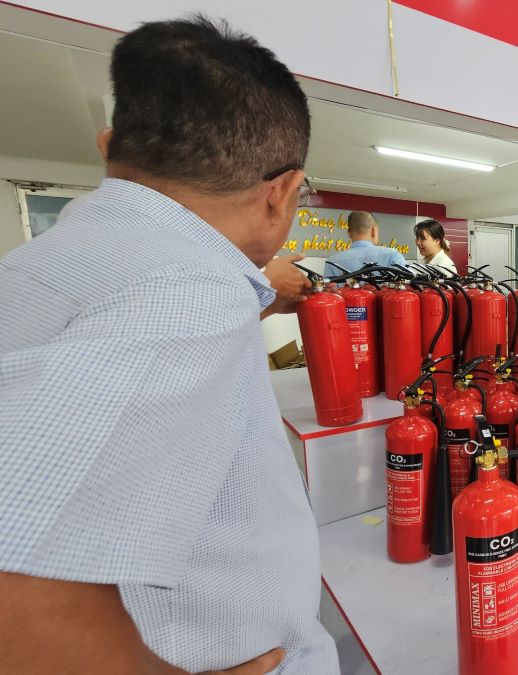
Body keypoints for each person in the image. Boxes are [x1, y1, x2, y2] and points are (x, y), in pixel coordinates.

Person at [0, 17, 336, 674]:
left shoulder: (41, 266)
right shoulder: (183, 295)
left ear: (109, 150)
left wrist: (254, 284)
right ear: (282, 193)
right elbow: (16, 593)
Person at [323, 210, 406, 277]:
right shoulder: (392, 255)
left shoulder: (332, 262)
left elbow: (328, 294)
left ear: (349, 233)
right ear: (373, 231)